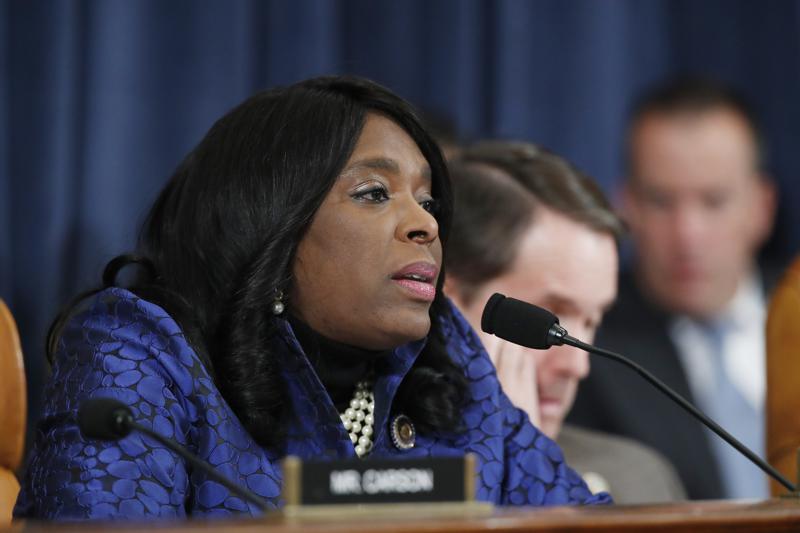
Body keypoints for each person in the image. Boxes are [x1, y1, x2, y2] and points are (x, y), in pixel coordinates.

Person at [14, 76, 610, 520]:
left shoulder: (451, 366)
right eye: (375, 193)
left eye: (427, 202)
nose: (424, 225)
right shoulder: (141, 351)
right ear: (272, 225)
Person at [568, 78, 777, 500]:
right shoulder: (589, 346)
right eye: (661, 201)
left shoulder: (791, 313)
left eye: (714, 201)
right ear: (625, 207)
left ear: (761, 207)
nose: (687, 235)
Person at [444, 141, 686, 503]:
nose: (578, 365)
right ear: (447, 303)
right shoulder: (374, 477)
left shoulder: (638, 480)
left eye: (592, 320)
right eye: (549, 315)